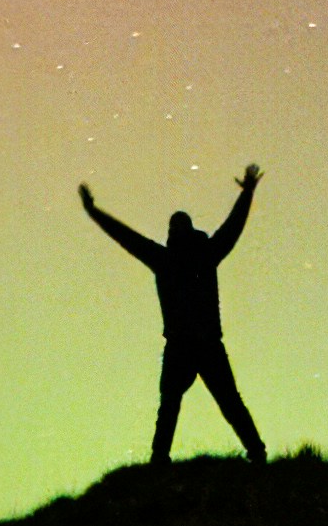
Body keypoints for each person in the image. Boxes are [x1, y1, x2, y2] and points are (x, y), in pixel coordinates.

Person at [79, 166, 269, 468]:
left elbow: (127, 238)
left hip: (188, 345)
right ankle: (255, 453)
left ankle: (162, 459)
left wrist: (94, 212)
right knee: (219, 402)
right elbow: (232, 227)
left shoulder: (167, 259)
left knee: (176, 404)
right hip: (199, 344)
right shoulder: (202, 254)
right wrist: (247, 192)